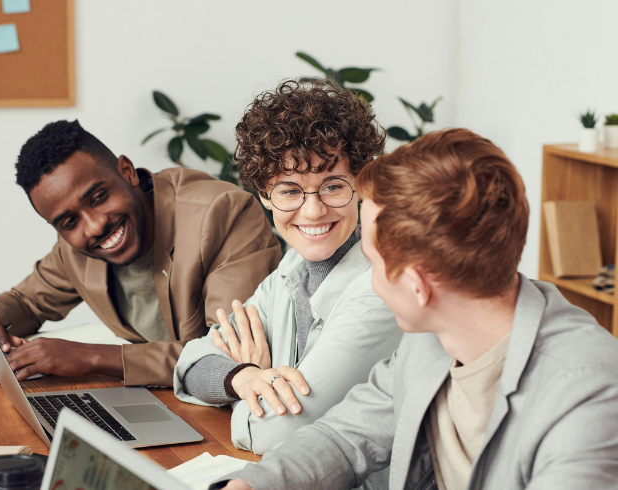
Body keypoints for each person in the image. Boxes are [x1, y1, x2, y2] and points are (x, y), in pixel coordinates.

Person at [216, 128, 618, 489]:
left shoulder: (587, 394)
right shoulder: (429, 341)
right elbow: (342, 439)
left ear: (417, 286)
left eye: (371, 260)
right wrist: (250, 486)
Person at [0, 120, 281, 387]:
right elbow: (27, 302)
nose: (93, 227)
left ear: (127, 171)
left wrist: (93, 358)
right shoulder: (74, 249)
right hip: (165, 403)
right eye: (68, 221)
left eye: (97, 198)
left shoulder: (221, 213)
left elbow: (228, 356)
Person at [173, 81, 403, 457]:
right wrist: (244, 377)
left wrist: (240, 388)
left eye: (332, 186)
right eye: (290, 191)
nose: (313, 211)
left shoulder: (379, 292)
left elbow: (272, 435)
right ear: (265, 195)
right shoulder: (291, 270)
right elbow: (190, 362)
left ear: (360, 184)